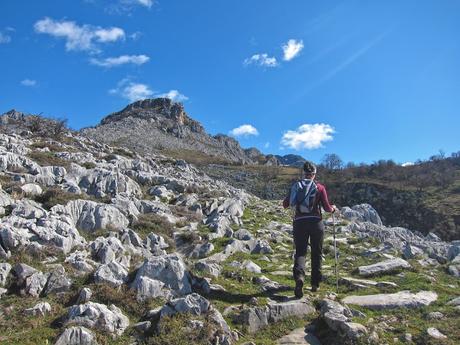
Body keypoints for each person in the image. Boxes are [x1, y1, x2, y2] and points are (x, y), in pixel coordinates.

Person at [283, 161, 337, 297]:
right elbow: (326, 208)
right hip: (316, 223)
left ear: (304, 173)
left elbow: (285, 204)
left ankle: (299, 278)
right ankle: (315, 284)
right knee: (316, 253)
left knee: (300, 252)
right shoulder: (320, 187)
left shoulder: (296, 186)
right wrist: (333, 208)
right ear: (314, 174)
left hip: (299, 223)